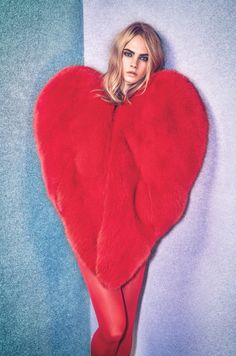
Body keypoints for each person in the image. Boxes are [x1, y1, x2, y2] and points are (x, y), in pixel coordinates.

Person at [34, 22, 209, 355]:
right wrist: (71, 211)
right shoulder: (87, 99)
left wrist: (147, 222)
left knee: (126, 331)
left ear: (153, 63)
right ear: (117, 54)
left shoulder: (152, 110)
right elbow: (61, 166)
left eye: (143, 58)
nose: (134, 64)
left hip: (133, 233)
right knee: (113, 327)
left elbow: (166, 175)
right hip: (89, 231)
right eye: (129, 53)